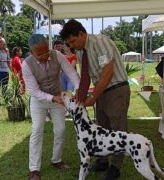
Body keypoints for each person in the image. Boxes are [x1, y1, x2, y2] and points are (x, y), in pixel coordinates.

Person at [60, 19, 130, 180]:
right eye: (68, 43)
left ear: (82, 33)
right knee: (102, 127)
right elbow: (85, 77)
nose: (71, 45)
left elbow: (108, 72)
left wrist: (93, 96)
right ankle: (103, 161)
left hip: (115, 89)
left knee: (118, 129)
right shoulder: (79, 51)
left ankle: (115, 168)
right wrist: (81, 95)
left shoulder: (100, 42)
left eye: (73, 41)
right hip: (101, 91)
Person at [22, 34, 80, 180]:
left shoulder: (58, 55)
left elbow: (71, 72)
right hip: (39, 101)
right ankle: (34, 169)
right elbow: (34, 91)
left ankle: (57, 160)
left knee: (60, 129)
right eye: (39, 53)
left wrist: (80, 89)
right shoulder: (26, 65)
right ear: (31, 52)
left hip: (57, 97)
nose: (44, 55)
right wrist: (52, 98)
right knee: (37, 130)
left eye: (46, 51)